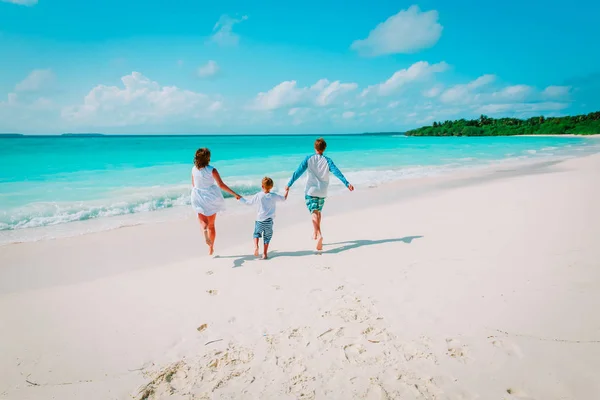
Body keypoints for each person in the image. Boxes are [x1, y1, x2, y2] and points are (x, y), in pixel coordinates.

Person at [285, 138, 354, 251]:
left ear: (315, 148)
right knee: (318, 212)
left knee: (313, 213)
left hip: (311, 191)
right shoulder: (328, 160)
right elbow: (337, 172)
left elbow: (297, 172)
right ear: (324, 148)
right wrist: (347, 183)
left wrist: (289, 184)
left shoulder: (308, 158)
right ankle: (316, 232)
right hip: (322, 191)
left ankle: (319, 235)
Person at [191, 148, 241, 255]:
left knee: (202, 222)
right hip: (210, 197)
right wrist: (235, 194)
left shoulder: (193, 169)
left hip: (197, 196)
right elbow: (221, 185)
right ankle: (211, 247)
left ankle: (203, 229)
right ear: (208, 158)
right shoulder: (212, 169)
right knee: (212, 225)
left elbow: (193, 185)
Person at [238, 177, 288, 259]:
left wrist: (241, 199)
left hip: (260, 220)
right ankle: (264, 253)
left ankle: (256, 246)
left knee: (256, 234)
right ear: (271, 186)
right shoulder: (273, 196)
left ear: (262, 186)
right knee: (267, 237)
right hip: (269, 221)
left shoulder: (259, 195)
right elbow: (284, 199)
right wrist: (287, 191)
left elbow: (249, 203)